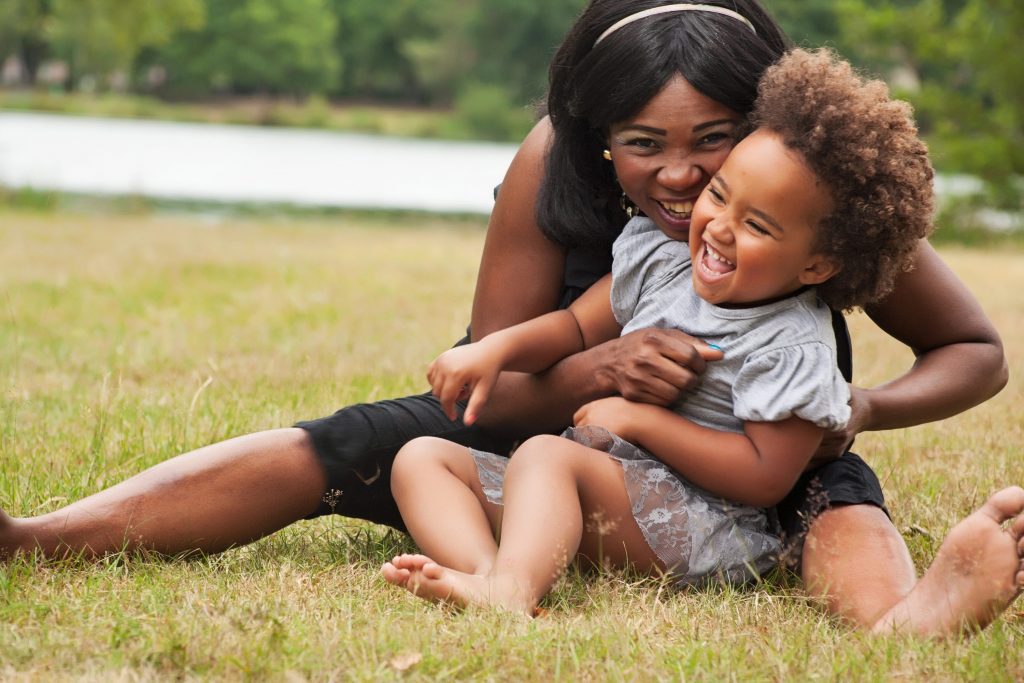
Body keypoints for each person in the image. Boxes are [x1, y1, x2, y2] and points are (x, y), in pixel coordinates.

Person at [0, 0, 1020, 636]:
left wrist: (857, 406)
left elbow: (973, 350)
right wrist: (607, 369)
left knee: (834, 502)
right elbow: (491, 391)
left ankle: (908, 622)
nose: (679, 176)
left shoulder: (807, 190)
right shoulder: (563, 167)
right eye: (639, 143)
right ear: (596, 136)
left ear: (767, 126)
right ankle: (39, 537)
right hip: (578, 425)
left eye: (714, 140)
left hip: (772, 438)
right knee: (370, 441)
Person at [378, 45, 951, 612]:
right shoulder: (665, 258)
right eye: (720, 194)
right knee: (423, 457)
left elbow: (763, 479)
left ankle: (512, 590)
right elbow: (578, 326)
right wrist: (495, 349)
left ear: (817, 264)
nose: (719, 228)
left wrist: (640, 421)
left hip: (704, 527)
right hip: (603, 489)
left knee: (546, 457)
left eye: (756, 224)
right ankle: (485, 574)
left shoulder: (791, 346)